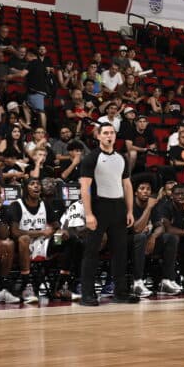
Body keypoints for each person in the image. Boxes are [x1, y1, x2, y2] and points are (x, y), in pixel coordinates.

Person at [79, 124, 139, 305]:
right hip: (98, 207)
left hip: (118, 207)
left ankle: (121, 293)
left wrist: (129, 210)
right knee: (92, 251)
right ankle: (87, 294)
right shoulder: (91, 158)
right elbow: (85, 188)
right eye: (105, 133)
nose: (109, 136)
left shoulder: (121, 158)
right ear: (98, 136)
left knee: (120, 252)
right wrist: (88, 214)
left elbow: (127, 186)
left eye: (112, 133)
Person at [7, 177, 60, 304]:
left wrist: (54, 232)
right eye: (32, 184)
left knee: (65, 238)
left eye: (38, 184)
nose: (36, 186)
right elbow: (14, 232)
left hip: (43, 243)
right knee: (24, 239)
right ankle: (27, 286)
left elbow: (56, 225)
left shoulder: (45, 204)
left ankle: (62, 283)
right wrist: (41, 232)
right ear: (25, 188)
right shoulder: (16, 205)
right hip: (23, 245)